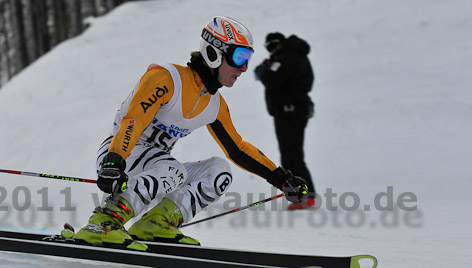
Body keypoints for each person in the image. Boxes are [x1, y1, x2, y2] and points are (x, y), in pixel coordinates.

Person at [62, 17, 308, 250]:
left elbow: (238, 148)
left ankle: (155, 224)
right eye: (239, 56)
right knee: (174, 170)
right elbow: (133, 120)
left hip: (158, 168)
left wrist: (280, 177)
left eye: (248, 58)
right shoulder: (168, 78)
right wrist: (114, 160)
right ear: (214, 53)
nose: (243, 68)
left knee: (219, 171)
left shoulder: (214, 105)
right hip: (120, 156)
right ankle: (104, 221)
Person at [254, 32, 316, 210]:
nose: (271, 51)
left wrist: (262, 70)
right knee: (292, 154)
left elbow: (271, 79)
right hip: (293, 110)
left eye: (272, 47)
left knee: (291, 155)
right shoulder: (294, 56)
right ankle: (304, 195)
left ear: (279, 44)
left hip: (289, 111)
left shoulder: (287, 57)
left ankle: (305, 196)